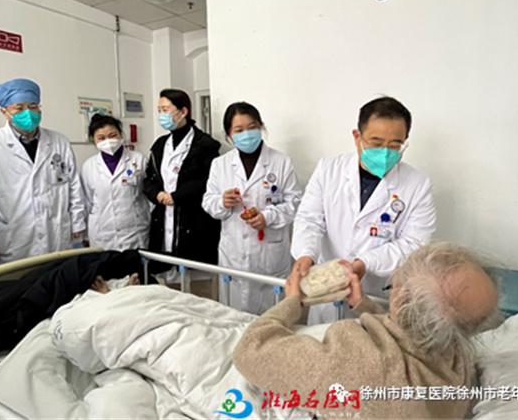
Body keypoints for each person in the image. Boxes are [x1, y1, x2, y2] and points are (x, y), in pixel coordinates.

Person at [234, 243, 500, 419]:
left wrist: (291, 303)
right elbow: (407, 340)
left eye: (394, 283)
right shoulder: (458, 361)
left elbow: (250, 351)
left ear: (400, 298)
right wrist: (364, 306)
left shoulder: (354, 367)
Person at [291, 96, 436, 323]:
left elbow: (414, 243)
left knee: (370, 341)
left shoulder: (417, 185)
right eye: (376, 143)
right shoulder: (329, 170)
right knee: (321, 341)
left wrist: (366, 262)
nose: (385, 152)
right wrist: (305, 254)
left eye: (395, 145)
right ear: (357, 137)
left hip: (373, 294)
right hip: (326, 286)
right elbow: (309, 219)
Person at [202, 102, 301, 314]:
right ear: (229, 135)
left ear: (261, 126)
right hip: (233, 252)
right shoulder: (220, 164)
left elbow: (294, 202)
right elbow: (208, 201)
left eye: (252, 127)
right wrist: (222, 202)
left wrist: (268, 217)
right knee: (234, 316)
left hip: (270, 252)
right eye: (239, 130)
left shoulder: (281, 162)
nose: (246, 134)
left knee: (272, 316)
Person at [0, 78, 86, 266]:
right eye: (19, 108)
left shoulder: (59, 141)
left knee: (59, 279)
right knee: (23, 281)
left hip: (58, 235)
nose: (28, 113)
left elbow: (74, 188)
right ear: (4, 112)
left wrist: (78, 227)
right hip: (15, 240)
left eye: (33, 106)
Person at [143, 89, 221, 271]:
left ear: (183, 111)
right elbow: (149, 179)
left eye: (165, 110)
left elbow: (207, 181)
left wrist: (177, 196)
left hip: (194, 220)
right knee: (165, 274)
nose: (161, 115)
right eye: (159, 110)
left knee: (194, 277)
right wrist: (157, 194)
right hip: (163, 217)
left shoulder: (205, 145)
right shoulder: (160, 145)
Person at [80, 114, 150, 250]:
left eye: (112, 135)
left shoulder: (138, 160)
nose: (108, 141)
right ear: (93, 140)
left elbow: (150, 196)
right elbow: (87, 202)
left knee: (136, 263)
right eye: (101, 138)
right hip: (102, 234)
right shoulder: (88, 166)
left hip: (135, 232)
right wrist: (84, 235)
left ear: (121, 135)